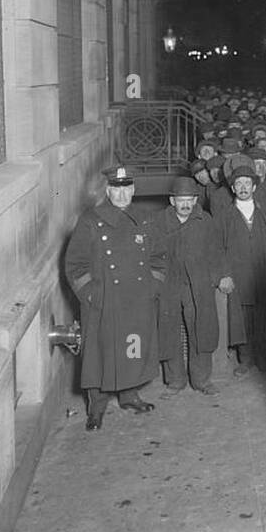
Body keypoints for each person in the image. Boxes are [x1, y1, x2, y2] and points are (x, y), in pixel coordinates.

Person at [63, 165, 167, 430]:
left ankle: (129, 396)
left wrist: (153, 287)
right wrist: (90, 295)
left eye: (126, 189)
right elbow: (75, 264)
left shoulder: (145, 218)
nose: (122, 195)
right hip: (104, 302)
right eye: (116, 189)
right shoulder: (91, 220)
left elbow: (159, 257)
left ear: (133, 190)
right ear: (108, 190)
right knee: (99, 355)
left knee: (133, 349)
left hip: (138, 300)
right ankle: (96, 408)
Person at [213, 164, 266, 373]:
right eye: (239, 183)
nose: (243, 187)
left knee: (265, 316)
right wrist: (224, 274)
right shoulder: (224, 216)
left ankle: (262, 356)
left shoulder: (265, 213)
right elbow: (216, 248)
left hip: (263, 274)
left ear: (254, 187)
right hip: (238, 275)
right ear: (233, 189)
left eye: (247, 183)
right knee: (241, 319)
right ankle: (245, 359)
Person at [151, 176, 224, 398]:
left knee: (200, 329)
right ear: (172, 201)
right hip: (169, 285)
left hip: (198, 285)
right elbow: (151, 255)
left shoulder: (205, 220)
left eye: (189, 200)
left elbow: (217, 251)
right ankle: (175, 381)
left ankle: (202, 380)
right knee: (169, 330)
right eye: (180, 200)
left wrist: (218, 277)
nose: (185, 204)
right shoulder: (158, 222)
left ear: (195, 200)